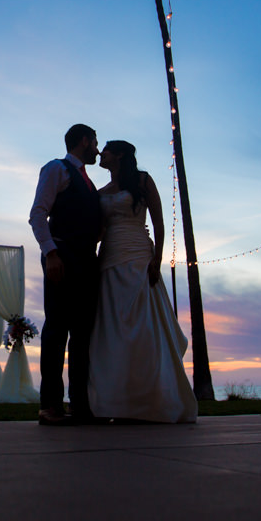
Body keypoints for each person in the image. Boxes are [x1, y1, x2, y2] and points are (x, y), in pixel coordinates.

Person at [87, 140, 197, 423]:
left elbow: (159, 222)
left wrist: (156, 259)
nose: (101, 153)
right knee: (113, 330)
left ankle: (152, 400)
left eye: (106, 150)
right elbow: (98, 231)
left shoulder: (143, 181)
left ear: (120, 154)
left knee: (142, 326)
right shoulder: (101, 193)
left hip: (138, 256)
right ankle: (117, 403)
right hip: (109, 257)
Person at [28, 123, 103, 425]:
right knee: (57, 329)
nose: (97, 148)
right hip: (62, 256)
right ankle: (50, 405)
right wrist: (51, 253)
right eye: (95, 142)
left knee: (83, 334)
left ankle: (81, 404)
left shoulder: (89, 183)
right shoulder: (56, 169)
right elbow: (37, 214)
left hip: (87, 261)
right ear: (84, 140)